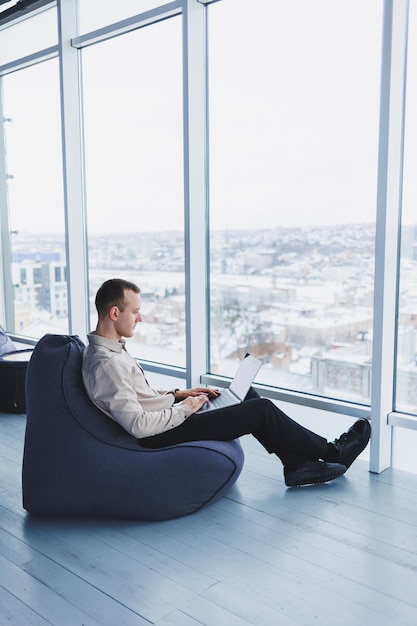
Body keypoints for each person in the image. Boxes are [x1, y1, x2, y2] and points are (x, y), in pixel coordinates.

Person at [82, 278, 371, 487]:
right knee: (262, 410)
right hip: (161, 433)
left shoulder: (112, 350)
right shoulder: (106, 364)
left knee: (248, 395)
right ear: (115, 313)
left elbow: (139, 396)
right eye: (135, 311)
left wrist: (181, 394)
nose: (140, 318)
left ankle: (296, 464)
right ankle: (333, 452)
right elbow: (139, 427)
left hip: (167, 417)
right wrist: (186, 409)